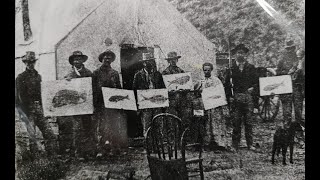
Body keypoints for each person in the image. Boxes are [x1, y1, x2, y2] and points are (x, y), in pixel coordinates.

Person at [16, 51, 57, 156]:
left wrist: (44, 109)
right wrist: (24, 113)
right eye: (28, 62)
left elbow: (41, 93)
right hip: (28, 110)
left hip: (38, 108)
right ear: (25, 63)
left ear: (34, 62)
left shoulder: (38, 76)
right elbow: (19, 97)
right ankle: (35, 159)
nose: (30, 64)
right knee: (32, 136)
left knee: (49, 133)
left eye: (32, 62)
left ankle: (52, 156)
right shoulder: (20, 77)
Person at [92, 50, 127, 156]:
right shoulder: (96, 73)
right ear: (102, 59)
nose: (107, 59)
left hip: (112, 105)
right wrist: (95, 104)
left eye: (109, 58)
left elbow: (118, 88)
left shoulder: (115, 73)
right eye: (105, 58)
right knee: (101, 126)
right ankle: (101, 149)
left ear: (112, 60)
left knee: (114, 125)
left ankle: (114, 148)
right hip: (100, 104)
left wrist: (121, 102)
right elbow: (93, 89)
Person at [63, 51, 95, 159]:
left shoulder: (89, 73)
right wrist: (66, 82)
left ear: (82, 60)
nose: (77, 61)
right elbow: (65, 90)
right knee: (77, 129)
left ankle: (89, 152)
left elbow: (93, 89)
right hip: (75, 107)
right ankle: (78, 152)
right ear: (72, 62)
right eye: (75, 59)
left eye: (79, 59)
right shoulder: (69, 75)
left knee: (88, 128)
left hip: (86, 106)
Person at [228, 44, 258, 151]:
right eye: (238, 53)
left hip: (248, 98)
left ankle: (250, 144)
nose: (240, 55)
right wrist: (230, 97)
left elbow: (256, 83)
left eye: (243, 53)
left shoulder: (251, 68)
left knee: (248, 122)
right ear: (235, 54)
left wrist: (252, 89)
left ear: (246, 55)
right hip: (236, 98)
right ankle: (235, 145)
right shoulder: (231, 69)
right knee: (236, 122)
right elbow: (227, 85)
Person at [194, 63, 230, 150]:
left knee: (216, 123)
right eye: (205, 70)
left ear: (211, 70)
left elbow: (221, 93)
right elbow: (196, 93)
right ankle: (207, 143)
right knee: (206, 124)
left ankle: (219, 143)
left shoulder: (216, 80)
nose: (206, 72)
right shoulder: (200, 81)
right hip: (205, 106)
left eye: (208, 70)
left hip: (215, 106)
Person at [132, 52, 166, 136]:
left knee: (159, 126)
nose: (149, 63)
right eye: (147, 62)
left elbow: (163, 88)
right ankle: (148, 147)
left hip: (157, 104)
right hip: (145, 105)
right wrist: (137, 106)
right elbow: (134, 90)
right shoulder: (138, 75)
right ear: (143, 63)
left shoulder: (158, 74)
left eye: (151, 61)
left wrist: (163, 103)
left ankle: (159, 146)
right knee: (147, 127)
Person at [162, 51, 193, 130]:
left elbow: (186, 85)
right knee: (171, 121)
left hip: (182, 100)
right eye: (171, 59)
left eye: (174, 59)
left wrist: (186, 88)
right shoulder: (165, 72)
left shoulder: (182, 72)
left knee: (183, 120)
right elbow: (163, 88)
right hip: (171, 100)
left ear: (177, 60)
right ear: (168, 61)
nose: (173, 61)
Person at [276, 40, 301, 126]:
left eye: (292, 48)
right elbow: (277, 73)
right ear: (286, 49)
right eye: (288, 49)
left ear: (294, 48)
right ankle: (287, 133)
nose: (290, 50)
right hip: (286, 88)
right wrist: (286, 73)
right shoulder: (281, 60)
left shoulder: (299, 59)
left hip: (297, 88)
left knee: (299, 112)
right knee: (287, 114)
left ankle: (299, 132)